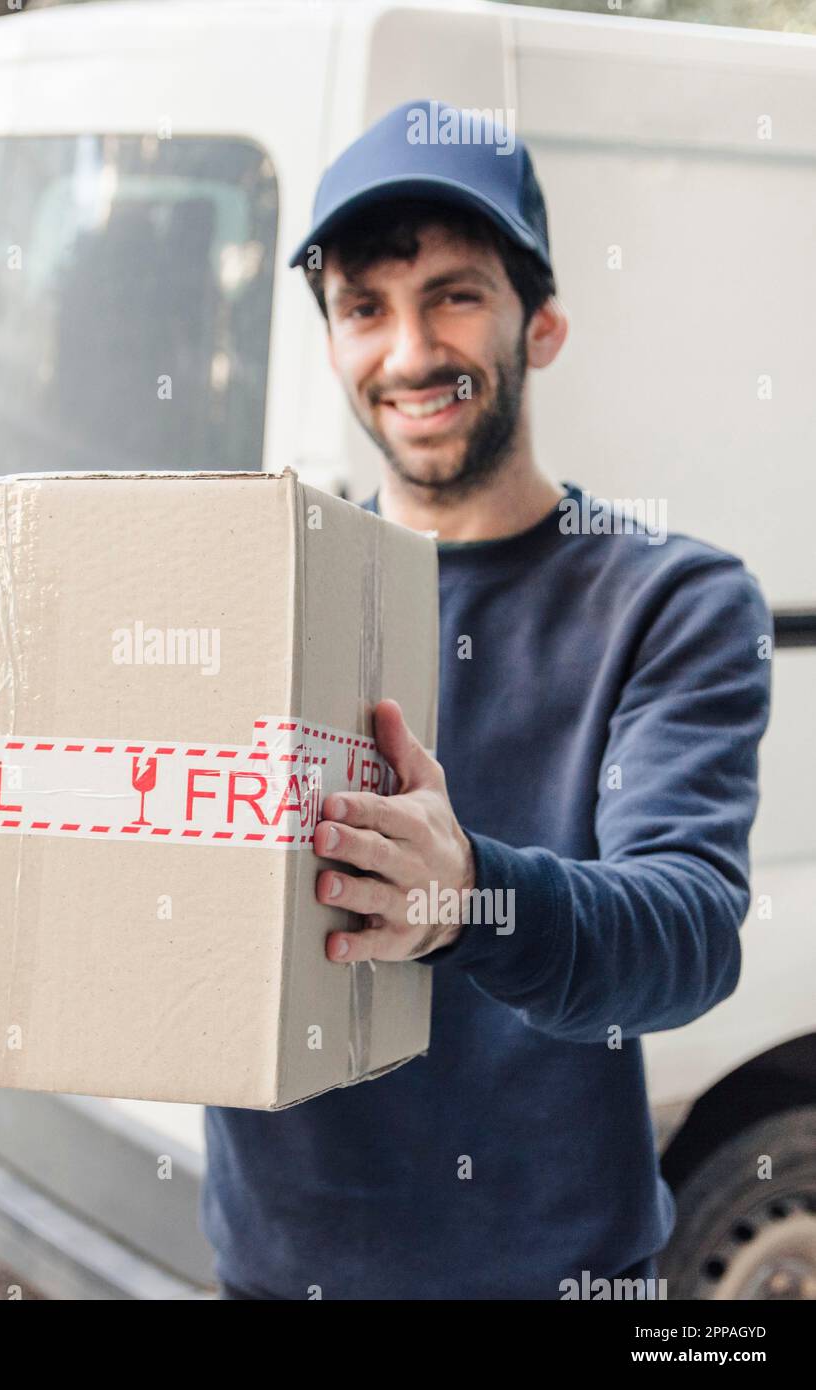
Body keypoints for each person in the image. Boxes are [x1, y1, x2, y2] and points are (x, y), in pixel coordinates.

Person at [200, 98, 773, 1300]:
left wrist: (470, 898)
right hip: (276, 1270)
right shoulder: (260, 581)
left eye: (454, 293)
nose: (408, 352)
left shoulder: (670, 599)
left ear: (543, 322)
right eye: (364, 308)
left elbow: (688, 935)